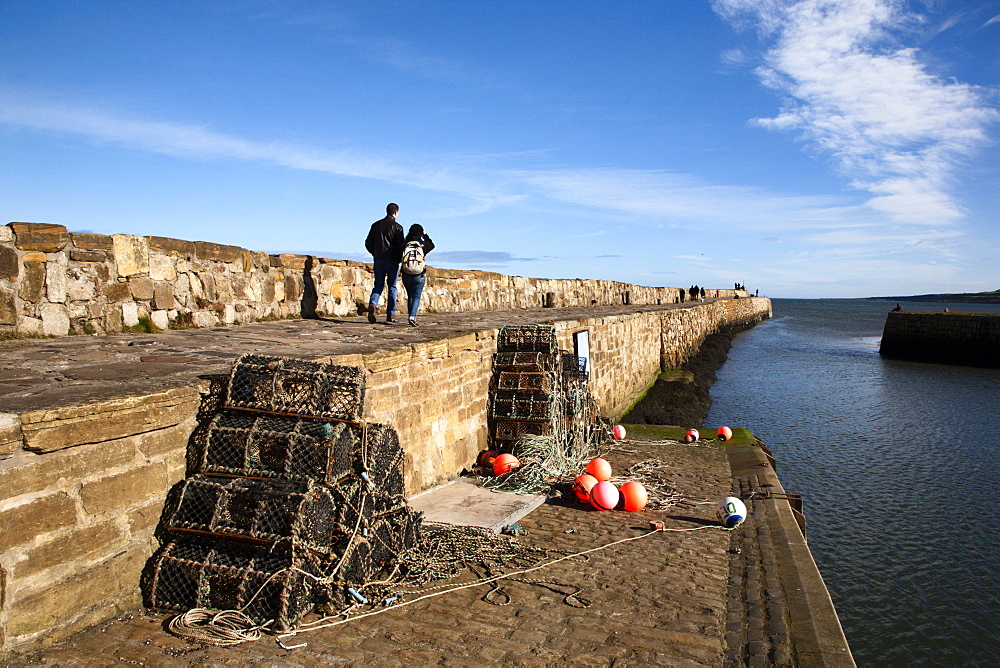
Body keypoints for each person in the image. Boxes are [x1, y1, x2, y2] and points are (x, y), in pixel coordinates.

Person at [365, 203, 404, 323]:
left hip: (378, 259)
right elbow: (401, 246)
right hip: (392, 261)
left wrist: (375, 253)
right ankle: (390, 315)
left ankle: (373, 303)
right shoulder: (398, 228)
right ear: (396, 212)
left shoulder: (376, 225)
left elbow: (368, 242)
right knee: (392, 287)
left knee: (378, 285)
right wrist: (398, 259)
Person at [399, 224, 435, 326]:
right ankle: (412, 316)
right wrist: (425, 235)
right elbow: (432, 245)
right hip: (419, 274)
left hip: (406, 274)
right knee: (416, 296)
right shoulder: (422, 245)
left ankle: (411, 315)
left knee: (410, 295)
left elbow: (398, 254)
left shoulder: (405, 244)